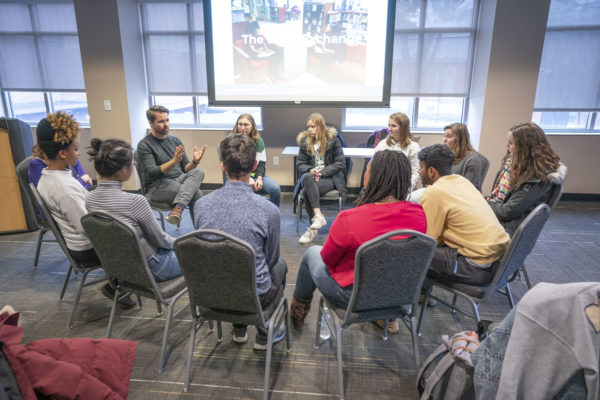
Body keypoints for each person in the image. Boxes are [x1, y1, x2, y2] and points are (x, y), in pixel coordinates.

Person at [290, 150, 427, 333]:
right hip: (400, 296)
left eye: (367, 171)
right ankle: (388, 317)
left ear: (372, 178)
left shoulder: (349, 218)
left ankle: (296, 315)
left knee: (311, 254)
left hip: (354, 297)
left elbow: (329, 260)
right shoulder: (419, 215)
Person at [194, 134, 287, 351]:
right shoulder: (269, 211)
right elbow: (271, 258)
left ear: (222, 167)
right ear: (254, 166)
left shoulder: (201, 205)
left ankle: (239, 327)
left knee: (226, 260)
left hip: (210, 294)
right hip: (255, 296)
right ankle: (264, 331)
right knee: (279, 265)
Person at [34, 111, 135, 308]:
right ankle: (120, 287)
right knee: (137, 240)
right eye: (76, 149)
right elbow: (88, 228)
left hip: (81, 243)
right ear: (63, 153)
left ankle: (119, 282)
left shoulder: (49, 177)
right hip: (85, 248)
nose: (79, 153)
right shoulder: (64, 188)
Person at [86, 138, 182, 282]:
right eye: (132, 164)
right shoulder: (135, 202)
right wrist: (181, 243)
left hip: (119, 267)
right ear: (124, 170)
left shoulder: (89, 199)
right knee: (197, 256)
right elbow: (160, 240)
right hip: (151, 268)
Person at [418, 144, 510, 285]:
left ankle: (417, 297)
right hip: (500, 261)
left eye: (422, 167)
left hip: (475, 267)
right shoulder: (462, 181)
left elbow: (429, 241)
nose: (419, 171)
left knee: (413, 251)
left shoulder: (433, 194)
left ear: (431, 171)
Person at [487, 122, 567, 236]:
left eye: (510, 143)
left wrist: (485, 202)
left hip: (506, 230)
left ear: (525, 147)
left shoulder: (537, 178)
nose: (507, 146)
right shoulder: (512, 165)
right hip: (500, 222)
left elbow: (507, 212)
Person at [137, 105, 206, 226]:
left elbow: (185, 168)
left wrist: (195, 162)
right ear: (151, 123)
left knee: (199, 171)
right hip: (157, 186)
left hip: (178, 180)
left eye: (167, 120)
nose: (166, 124)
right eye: (161, 121)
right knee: (196, 193)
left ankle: (178, 209)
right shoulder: (144, 145)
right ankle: (200, 232)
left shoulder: (175, 140)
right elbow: (153, 173)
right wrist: (174, 161)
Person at [294, 113, 346, 244]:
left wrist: (321, 173)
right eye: (308, 127)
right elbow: (299, 164)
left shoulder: (333, 140)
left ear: (320, 127)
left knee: (307, 190)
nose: (309, 129)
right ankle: (318, 216)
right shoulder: (305, 142)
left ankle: (312, 230)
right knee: (306, 177)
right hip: (310, 178)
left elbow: (340, 163)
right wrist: (310, 170)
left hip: (330, 179)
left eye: (312, 127)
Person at [231, 113, 281, 206]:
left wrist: (259, 178)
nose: (242, 127)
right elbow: (232, 166)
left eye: (246, 125)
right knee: (247, 190)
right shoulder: (231, 140)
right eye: (240, 124)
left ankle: (271, 215)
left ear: (252, 126)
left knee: (275, 189)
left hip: (255, 175)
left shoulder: (258, 141)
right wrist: (247, 178)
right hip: (237, 176)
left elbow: (261, 163)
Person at [374, 112, 421, 190]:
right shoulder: (383, 144)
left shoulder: (413, 147)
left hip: (403, 187)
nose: (390, 129)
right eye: (389, 125)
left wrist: (408, 190)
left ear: (403, 128)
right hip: (383, 186)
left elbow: (415, 172)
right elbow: (374, 165)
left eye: (393, 126)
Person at [442, 123, 485, 191]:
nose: (444, 140)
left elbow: (466, 190)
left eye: (449, 136)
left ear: (460, 139)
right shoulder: (446, 156)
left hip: (463, 199)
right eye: (444, 136)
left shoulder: (472, 160)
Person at [29, 146, 93, 190]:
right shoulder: (36, 163)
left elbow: (88, 183)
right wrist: (82, 180)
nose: (78, 153)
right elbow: (62, 193)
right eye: (75, 149)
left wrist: (82, 181)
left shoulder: (70, 155)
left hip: (79, 197)